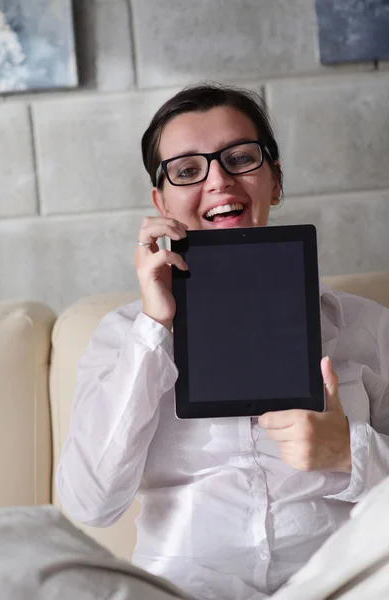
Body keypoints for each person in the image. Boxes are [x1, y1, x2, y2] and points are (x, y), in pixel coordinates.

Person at [56, 84, 389, 600]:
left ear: (275, 180)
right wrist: (155, 328)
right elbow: (91, 504)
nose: (218, 181)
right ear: (160, 200)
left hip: (341, 583)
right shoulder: (122, 336)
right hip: (184, 590)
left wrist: (350, 451)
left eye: (240, 158)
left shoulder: (367, 327)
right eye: (187, 170)